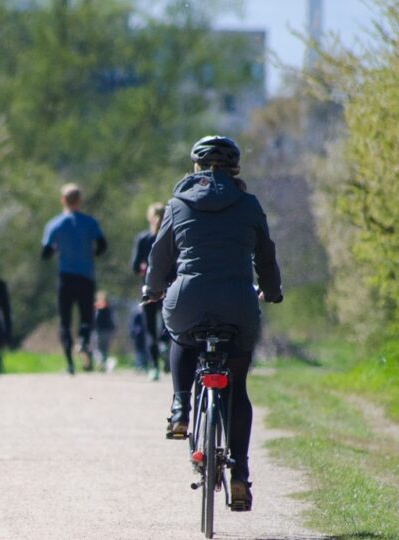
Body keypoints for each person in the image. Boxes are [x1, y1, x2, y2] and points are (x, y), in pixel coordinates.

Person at [143, 135, 283, 511]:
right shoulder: (249, 204)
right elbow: (265, 257)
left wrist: (152, 290)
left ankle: (180, 408)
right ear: (235, 169)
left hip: (188, 300)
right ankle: (239, 473)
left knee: (181, 335)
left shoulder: (177, 204)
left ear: (196, 167)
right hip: (238, 304)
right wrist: (272, 291)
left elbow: (159, 257)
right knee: (237, 388)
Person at [42, 183, 107, 374]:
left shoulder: (54, 224)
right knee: (86, 316)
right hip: (86, 276)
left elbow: (45, 253)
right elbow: (102, 245)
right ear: (79, 200)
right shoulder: (90, 222)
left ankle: (70, 364)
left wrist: (56, 249)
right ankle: (84, 340)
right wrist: (90, 253)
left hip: (65, 278)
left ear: (63, 200)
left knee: (65, 320)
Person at [131, 202, 172, 380]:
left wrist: (143, 268)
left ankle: (154, 367)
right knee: (169, 323)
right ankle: (165, 345)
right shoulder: (172, 237)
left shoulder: (143, 239)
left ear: (149, 217)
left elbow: (134, 266)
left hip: (148, 287)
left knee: (149, 329)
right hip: (169, 286)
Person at [92, 291, 115, 372]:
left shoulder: (98, 308)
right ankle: (103, 364)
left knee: (98, 348)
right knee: (103, 349)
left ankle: (102, 364)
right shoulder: (108, 307)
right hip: (106, 330)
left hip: (101, 331)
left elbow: (95, 319)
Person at [128, 304, 149, 371]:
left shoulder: (145, 314)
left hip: (145, 336)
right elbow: (131, 325)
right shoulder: (136, 314)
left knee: (145, 351)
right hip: (138, 337)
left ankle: (144, 365)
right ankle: (139, 365)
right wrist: (133, 333)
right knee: (138, 352)